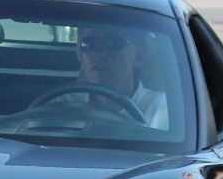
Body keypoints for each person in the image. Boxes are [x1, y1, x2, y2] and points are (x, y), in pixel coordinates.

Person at [40, 26, 168, 129]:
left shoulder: (163, 111)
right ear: (80, 55)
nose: (97, 53)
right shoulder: (61, 107)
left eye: (112, 44)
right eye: (87, 44)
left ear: (139, 56)